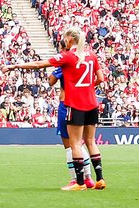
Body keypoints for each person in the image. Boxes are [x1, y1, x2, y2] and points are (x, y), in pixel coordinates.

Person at [8, 26, 105, 191]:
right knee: (90, 142)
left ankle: (80, 183)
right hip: (92, 104)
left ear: (69, 39)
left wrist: (16, 66)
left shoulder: (67, 57)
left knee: (74, 144)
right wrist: (86, 88)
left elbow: (40, 65)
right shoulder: (92, 55)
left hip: (75, 104)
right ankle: (100, 179)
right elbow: (100, 78)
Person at [48, 60, 93, 189]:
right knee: (79, 142)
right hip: (82, 103)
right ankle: (88, 178)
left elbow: (51, 81)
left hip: (66, 105)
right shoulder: (84, 63)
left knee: (70, 145)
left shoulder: (65, 66)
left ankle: (75, 179)